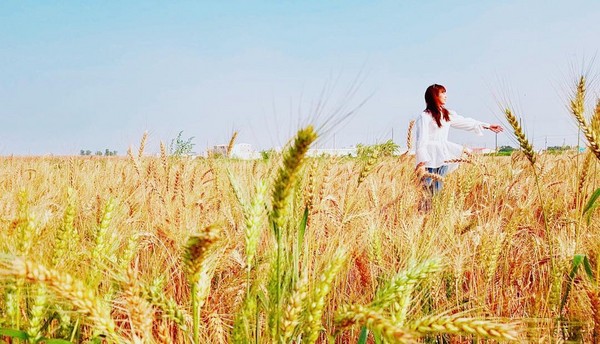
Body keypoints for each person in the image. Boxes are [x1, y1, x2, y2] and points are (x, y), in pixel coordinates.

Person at [415, 84, 503, 194]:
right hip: (429, 158)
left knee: (438, 190)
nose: (445, 96)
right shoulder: (424, 116)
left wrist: (487, 125)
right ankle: (425, 211)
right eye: (442, 93)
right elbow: (421, 140)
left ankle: (435, 211)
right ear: (434, 96)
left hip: (443, 156)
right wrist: (421, 162)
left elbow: (465, 121)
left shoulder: (446, 114)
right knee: (426, 191)